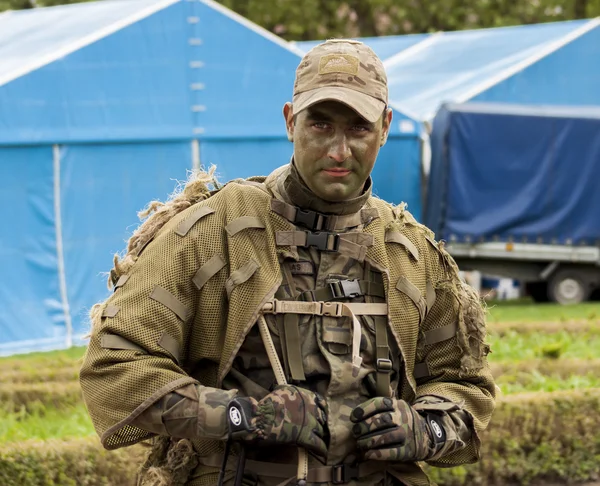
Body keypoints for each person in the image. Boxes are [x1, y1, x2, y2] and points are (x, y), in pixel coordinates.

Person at [80, 39, 496, 486]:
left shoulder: (410, 253)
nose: (339, 151)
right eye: (320, 125)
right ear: (289, 121)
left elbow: (465, 385)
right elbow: (115, 366)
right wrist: (242, 416)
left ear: (386, 127)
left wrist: (425, 429)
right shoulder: (211, 232)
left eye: (358, 128)